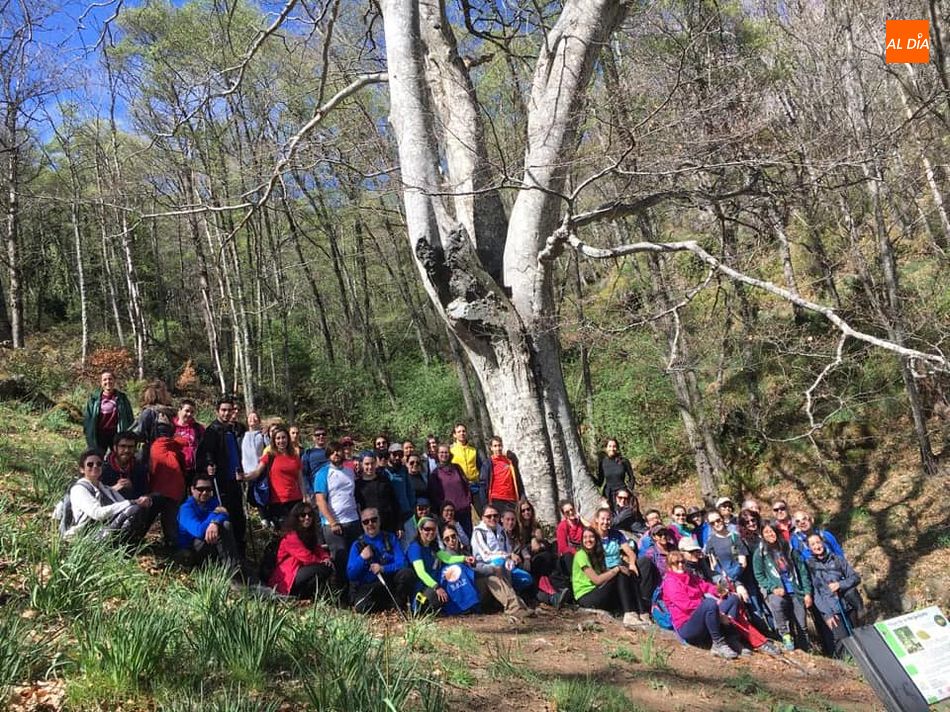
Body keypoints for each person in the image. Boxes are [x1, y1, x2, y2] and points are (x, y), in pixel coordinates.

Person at [662, 550, 743, 659]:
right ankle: (718, 643)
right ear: (669, 566)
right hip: (687, 626)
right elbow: (686, 606)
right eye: (676, 563)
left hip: (702, 616)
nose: (680, 565)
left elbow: (705, 586)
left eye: (682, 562)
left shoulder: (690, 577)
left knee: (732, 599)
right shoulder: (670, 582)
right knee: (709, 604)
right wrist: (718, 613)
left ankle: (730, 638)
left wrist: (720, 591)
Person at [442, 524, 530, 617]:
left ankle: (519, 606)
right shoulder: (447, 556)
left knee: (496, 573)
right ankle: (514, 608)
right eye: (447, 539)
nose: (451, 540)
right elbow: (473, 570)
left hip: (473, 587)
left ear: (457, 536)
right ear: (443, 541)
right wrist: (492, 569)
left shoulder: (463, 552)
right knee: (491, 578)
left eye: (453, 536)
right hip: (465, 594)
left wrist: (492, 569)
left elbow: (476, 565)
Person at [194, 396, 247, 554]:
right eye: (223, 410)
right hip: (221, 480)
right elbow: (206, 452)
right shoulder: (213, 430)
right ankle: (227, 553)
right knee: (224, 514)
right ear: (217, 411)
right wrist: (209, 465)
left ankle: (240, 551)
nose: (226, 413)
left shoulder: (232, 430)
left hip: (234, 479)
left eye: (229, 410)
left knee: (239, 517)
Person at [66, 448, 151, 543]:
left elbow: (122, 505)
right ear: (82, 469)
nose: (95, 466)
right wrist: (131, 502)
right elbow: (97, 513)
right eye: (90, 464)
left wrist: (140, 501)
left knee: (137, 509)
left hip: (103, 531)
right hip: (85, 535)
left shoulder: (105, 489)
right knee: (133, 509)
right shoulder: (79, 489)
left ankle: (126, 545)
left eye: (99, 464)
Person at [753, 522, 813, 651]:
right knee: (777, 604)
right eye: (766, 532)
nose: (770, 534)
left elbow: (802, 571)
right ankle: (785, 636)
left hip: (795, 590)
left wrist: (807, 592)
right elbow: (759, 575)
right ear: (762, 535)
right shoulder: (760, 553)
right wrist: (772, 587)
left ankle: (805, 649)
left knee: (802, 625)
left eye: (772, 531)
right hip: (777, 590)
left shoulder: (789, 549)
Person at [346, 507, 415, 614]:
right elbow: (351, 574)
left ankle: (397, 605)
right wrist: (362, 558)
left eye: (374, 520)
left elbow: (402, 563)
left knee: (407, 574)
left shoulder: (390, 538)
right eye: (366, 522)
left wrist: (383, 568)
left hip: (389, 582)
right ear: (362, 524)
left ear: (379, 520)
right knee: (361, 606)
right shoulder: (357, 545)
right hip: (369, 585)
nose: (370, 524)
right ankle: (384, 607)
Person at [313, 441, 361, 587]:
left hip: (353, 520)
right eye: (333, 452)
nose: (336, 454)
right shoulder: (322, 474)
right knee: (339, 561)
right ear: (328, 455)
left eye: (338, 451)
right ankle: (340, 596)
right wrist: (332, 522)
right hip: (333, 525)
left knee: (356, 559)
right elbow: (320, 501)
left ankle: (354, 591)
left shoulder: (349, 471)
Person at [805, 533, 863, 654]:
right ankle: (848, 666)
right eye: (813, 544)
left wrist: (840, 585)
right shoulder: (809, 566)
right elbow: (816, 594)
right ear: (809, 548)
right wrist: (827, 614)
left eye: (818, 542)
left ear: (823, 542)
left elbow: (855, 577)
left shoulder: (837, 559)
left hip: (848, 604)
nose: (817, 546)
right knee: (842, 640)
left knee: (857, 635)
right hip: (832, 609)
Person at [571, 527, 641, 625]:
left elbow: (605, 574)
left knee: (627, 575)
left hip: (597, 591)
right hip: (586, 596)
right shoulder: (581, 555)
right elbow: (597, 580)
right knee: (619, 573)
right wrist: (617, 569)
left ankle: (640, 611)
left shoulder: (596, 554)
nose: (588, 540)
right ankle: (629, 613)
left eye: (591, 537)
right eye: (585, 538)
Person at [406, 515, 474, 615]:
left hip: (434, 581)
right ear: (420, 530)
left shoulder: (432, 546)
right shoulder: (415, 548)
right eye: (427, 529)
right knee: (435, 598)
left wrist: (464, 558)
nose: (431, 532)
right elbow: (421, 573)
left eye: (433, 529)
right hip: (422, 587)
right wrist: (436, 587)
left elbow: (448, 558)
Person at [592, 507, 648, 622]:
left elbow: (630, 553)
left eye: (608, 519)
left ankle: (642, 611)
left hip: (618, 566)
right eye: (603, 519)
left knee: (631, 573)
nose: (605, 522)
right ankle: (629, 613)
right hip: (605, 572)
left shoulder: (616, 534)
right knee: (621, 573)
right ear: (597, 520)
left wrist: (632, 563)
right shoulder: (593, 537)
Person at [268, 502, 334, 599]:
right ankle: (299, 595)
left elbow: (318, 549)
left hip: (301, 570)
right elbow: (305, 556)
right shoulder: (290, 536)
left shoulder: (309, 534)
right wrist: (321, 561)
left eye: (310, 515)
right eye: (303, 515)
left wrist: (326, 558)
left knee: (326, 568)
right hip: (288, 575)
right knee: (323, 569)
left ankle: (305, 595)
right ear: (296, 517)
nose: (307, 518)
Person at [244, 425, 305, 528]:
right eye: (278, 438)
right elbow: (257, 472)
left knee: (298, 531)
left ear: (288, 439)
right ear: (274, 440)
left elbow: (300, 479)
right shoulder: (269, 456)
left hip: (296, 499)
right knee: (285, 531)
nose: (281, 441)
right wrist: (244, 477)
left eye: (284, 437)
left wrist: (305, 496)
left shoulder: (294, 457)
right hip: (278, 502)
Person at [177, 476, 241, 569]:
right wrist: (214, 515)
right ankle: (231, 570)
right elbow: (199, 531)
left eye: (208, 489)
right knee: (223, 527)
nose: (204, 492)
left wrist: (215, 523)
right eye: (200, 489)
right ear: (192, 489)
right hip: (191, 549)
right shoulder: (186, 508)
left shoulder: (212, 502)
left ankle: (232, 568)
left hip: (209, 543)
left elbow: (224, 514)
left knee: (225, 525)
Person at [471, 506, 532, 593]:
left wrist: (513, 558)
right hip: (486, 565)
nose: (492, 518)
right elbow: (486, 555)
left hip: (505, 564)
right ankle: (509, 596)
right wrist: (508, 555)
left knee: (527, 579)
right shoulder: (478, 532)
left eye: (495, 516)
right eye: (489, 516)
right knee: (500, 562)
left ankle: (512, 592)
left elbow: (507, 550)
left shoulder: (501, 531)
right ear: (483, 518)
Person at [147, 422, 188, 548]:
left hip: (160, 488)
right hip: (172, 490)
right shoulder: (171, 447)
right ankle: (174, 546)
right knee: (170, 520)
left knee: (154, 517)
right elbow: (184, 442)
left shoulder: (155, 446)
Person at [427, 443, 473, 536]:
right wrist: (443, 511)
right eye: (441, 452)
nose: (444, 455)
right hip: (449, 514)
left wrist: (468, 500)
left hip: (464, 510)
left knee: (468, 537)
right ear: (437, 455)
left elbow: (466, 484)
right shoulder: (435, 474)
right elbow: (434, 495)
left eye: (446, 452)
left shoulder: (457, 468)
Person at [84, 371, 134, 451]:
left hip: (117, 433)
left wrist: (129, 434)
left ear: (114, 381)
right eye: (105, 379)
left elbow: (130, 417)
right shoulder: (94, 398)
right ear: (101, 382)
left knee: (118, 457)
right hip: (99, 434)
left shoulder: (122, 398)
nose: (108, 381)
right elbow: (87, 419)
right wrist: (88, 433)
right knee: (98, 457)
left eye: (110, 379)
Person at [354, 451, 401, 535]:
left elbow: (394, 503)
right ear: (361, 464)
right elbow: (357, 508)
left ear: (376, 463)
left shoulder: (384, 481)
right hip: (369, 527)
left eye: (372, 463)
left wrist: (399, 526)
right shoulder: (357, 485)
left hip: (388, 526)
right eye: (367, 464)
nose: (370, 467)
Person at [480, 436, 524, 512]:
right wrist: (485, 504)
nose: (498, 448)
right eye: (495, 446)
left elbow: (517, 479)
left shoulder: (509, 461)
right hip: (496, 499)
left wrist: (522, 496)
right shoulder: (488, 464)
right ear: (491, 448)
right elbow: (483, 484)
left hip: (511, 498)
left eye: (500, 445)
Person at [101, 431, 149, 499]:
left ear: (135, 448)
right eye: (123, 446)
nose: (126, 450)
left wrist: (132, 488)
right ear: (115, 447)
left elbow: (144, 494)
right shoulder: (103, 469)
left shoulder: (139, 469)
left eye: (130, 447)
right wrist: (113, 489)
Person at [450, 423, 485, 515]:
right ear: (455, 434)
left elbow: (480, 467)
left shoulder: (473, 450)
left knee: (483, 512)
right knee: (464, 514)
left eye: (464, 431)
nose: (462, 433)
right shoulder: (451, 451)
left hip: (475, 485)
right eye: (459, 432)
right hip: (460, 487)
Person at [703, 511, 746, 584]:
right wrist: (723, 580)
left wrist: (732, 579)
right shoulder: (710, 542)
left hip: (741, 577)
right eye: (712, 523)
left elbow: (743, 563)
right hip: (724, 581)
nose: (716, 524)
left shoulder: (735, 537)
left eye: (718, 520)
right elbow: (713, 566)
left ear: (722, 519)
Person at [131, 380, 174, 452]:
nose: (169, 394)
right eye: (166, 391)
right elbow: (139, 433)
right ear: (160, 394)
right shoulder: (149, 412)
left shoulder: (170, 412)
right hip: (152, 453)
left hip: (169, 452)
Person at [594, 438, 635, 507]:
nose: (612, 449)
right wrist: (589, 475)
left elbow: (632, 478)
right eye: (610, 446)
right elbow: (600, 482)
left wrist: (628, 490)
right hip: (608, 495)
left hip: (622, 494)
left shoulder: (623, 461)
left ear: (617, 448)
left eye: (614, 446)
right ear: (606, 448)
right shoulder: (603, 463)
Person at [383, 443, 414, 526]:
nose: (397, 457)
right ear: (389, 454)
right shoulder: (384, 472)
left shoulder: (404, 470)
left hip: (406, 511)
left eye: (400, 455)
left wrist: (412, 506)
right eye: (394, 454)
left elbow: (409, 490)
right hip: (391, 513)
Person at [173, 399, 205, 475]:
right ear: (180, 410)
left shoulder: (198, 428)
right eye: (187, 411)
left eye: (192, 412)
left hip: (193, 469)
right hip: (175, 469)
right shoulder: (171, 427)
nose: (189, 414)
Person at [301, 425, 329, 498]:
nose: (321, 436)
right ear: (313, 438)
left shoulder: (332, 452)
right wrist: (310, 492)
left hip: (333, 490)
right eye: (317, 435)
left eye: (323, 434)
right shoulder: (308, 453)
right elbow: (304, 475)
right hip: (317, 490)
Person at [241, 411, 266, 477]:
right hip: (245, 473)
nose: (253, 419)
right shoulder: (242, 436)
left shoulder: (263, 435)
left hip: (260, 470)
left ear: (259, 421)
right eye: (250, 417)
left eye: (255, 417)